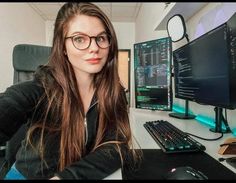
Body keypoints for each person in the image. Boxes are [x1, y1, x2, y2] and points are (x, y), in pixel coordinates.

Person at [0, 2, 141, 179]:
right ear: (63, 47)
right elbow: (11, 103)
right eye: (79, 39)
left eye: (101, 38)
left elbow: (116, 147)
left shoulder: (114, 92)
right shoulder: (40, 90)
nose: (94, 47)